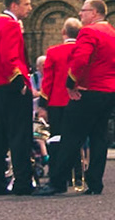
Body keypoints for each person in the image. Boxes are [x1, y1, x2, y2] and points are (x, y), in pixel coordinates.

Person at [65, 0, 115, 196]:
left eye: (84, 10)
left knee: (71, 134)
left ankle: (57, 180)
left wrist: (70, 84)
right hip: (111, 91)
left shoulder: (89, 31)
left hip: (91, 90)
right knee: (99, 138)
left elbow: (80, 59)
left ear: (94, 13)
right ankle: (95, 182)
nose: (80, 14)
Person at [0, 0, 35, 196]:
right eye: (26, 4)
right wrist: (20, 83)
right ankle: (22, 183)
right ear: (14, 5)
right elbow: (10, 58)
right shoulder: (10, 25)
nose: (30, 7)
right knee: (20, 136)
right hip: (11, 87)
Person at [42, 17, 82, 192]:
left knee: (57, 140)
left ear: (63, 32)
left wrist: (42, 104)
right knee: (76, 139)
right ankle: (77, 176)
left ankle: (57, 176)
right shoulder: (83, 51)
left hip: (57, 102)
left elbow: (48, 81)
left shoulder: (53, 52)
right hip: (78, 100)